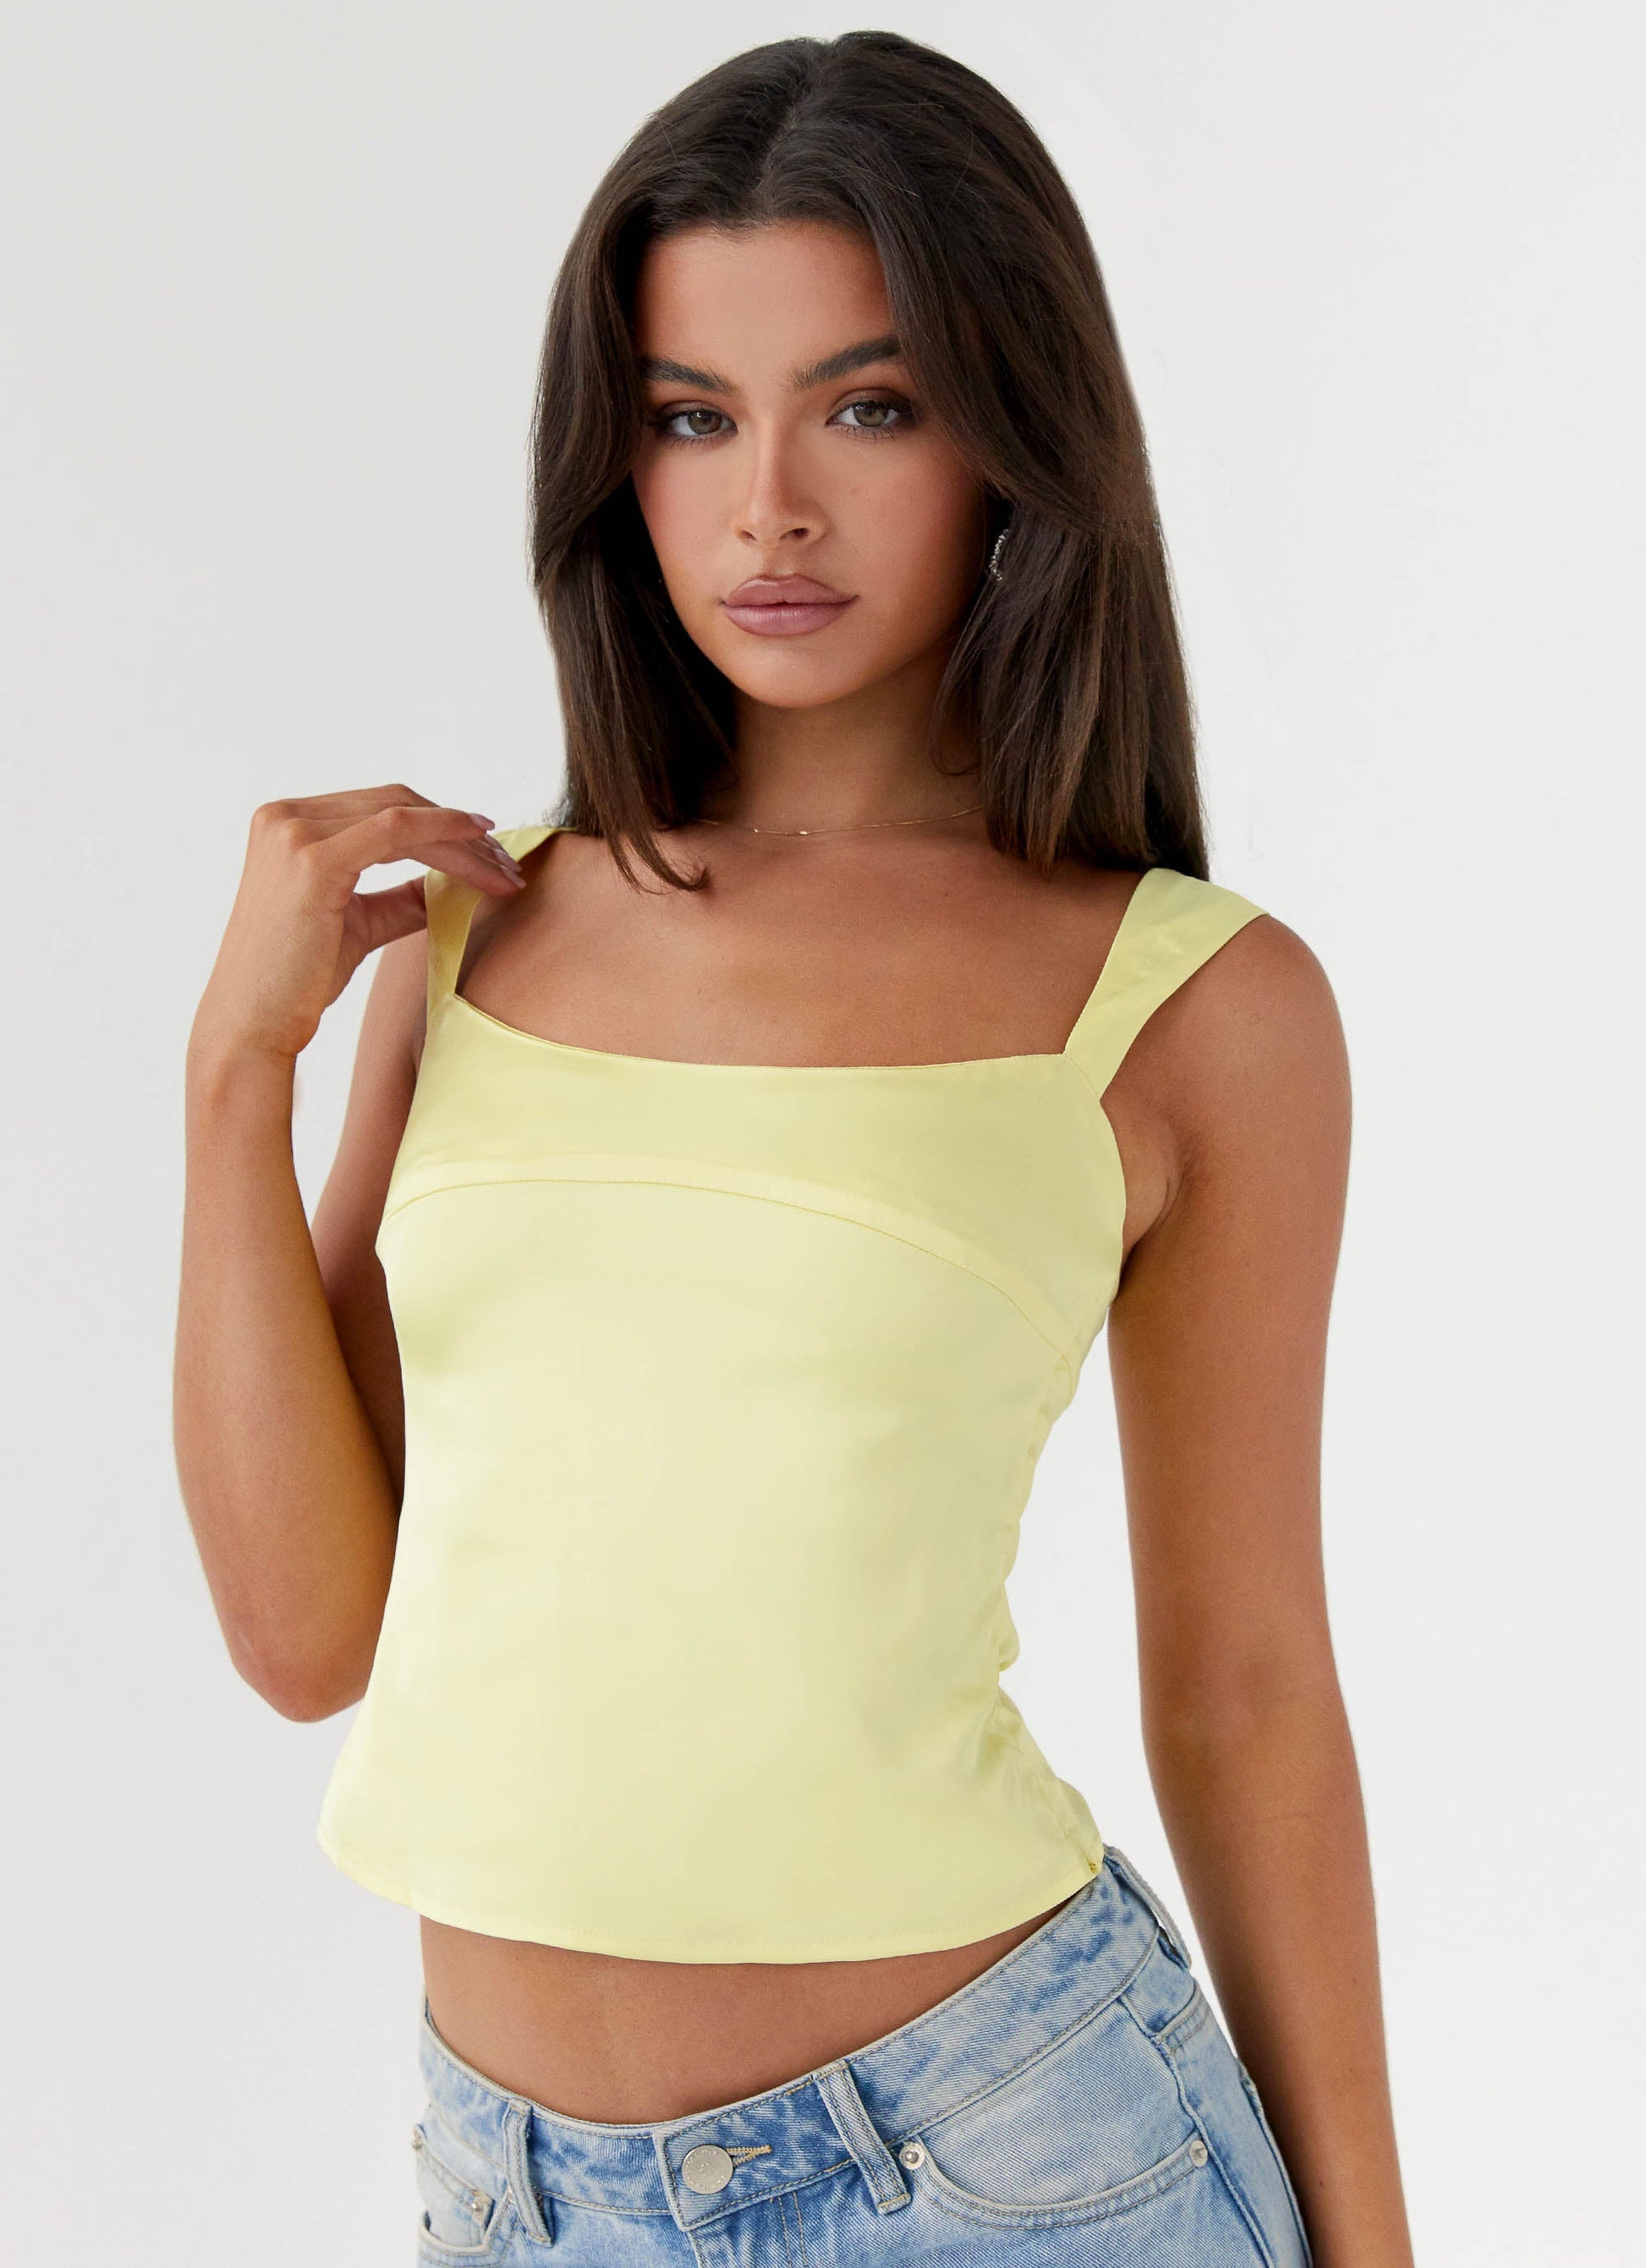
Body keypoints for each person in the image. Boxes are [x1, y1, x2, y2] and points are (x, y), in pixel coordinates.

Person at [173, 31, 1413, 2268]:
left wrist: (1377, 2248)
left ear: (1010, 432)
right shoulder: (479, 934)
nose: (767, 510)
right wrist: (228, 1082)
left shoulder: (1189, 1006)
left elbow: (1242, 1687)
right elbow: (306, 1633)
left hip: (1006, 2165)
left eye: (868, 405)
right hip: (515, 2194)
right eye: (689, 416)